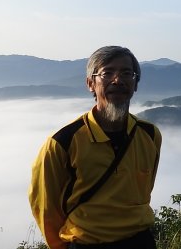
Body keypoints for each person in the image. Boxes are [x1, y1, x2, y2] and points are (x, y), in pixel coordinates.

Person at [28, 46, 162, 249]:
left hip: (140, 241)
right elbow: (46, 208)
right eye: (107, 73)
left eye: (127, 73)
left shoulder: (149, 135)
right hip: (86, 243)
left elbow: (144, 190)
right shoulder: (62, 142)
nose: (117, 80)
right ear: (90, 83)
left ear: (135, 84)